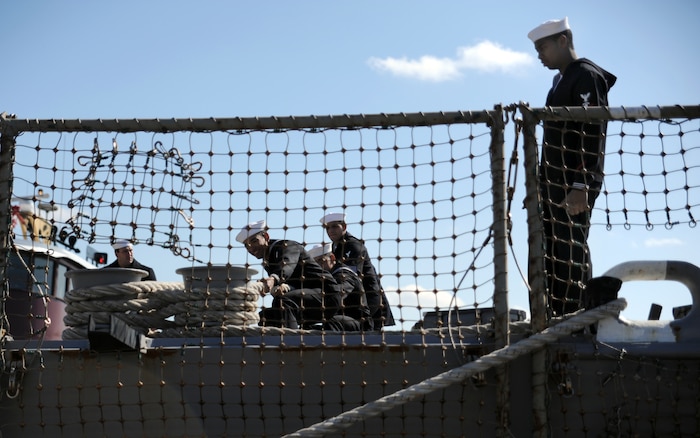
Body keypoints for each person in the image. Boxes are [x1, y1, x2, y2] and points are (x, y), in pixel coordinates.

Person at [527, 17, 617, 316]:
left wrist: (582, 185)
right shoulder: (560, 82)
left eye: (544, 47)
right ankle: (556, 317)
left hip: (571, 185)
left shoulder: (587, 77)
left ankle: (575, 320)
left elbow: (592, 133)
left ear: (563, 41)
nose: (540, 54)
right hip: (553, 183)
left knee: (570, 253)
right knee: (552, 256)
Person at [236, 220, 342, 329]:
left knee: (284, 302)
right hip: (307, 299)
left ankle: (289, 341)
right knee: (267, 316)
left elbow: (287, 265)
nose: (251, 248)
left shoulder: (287, 246)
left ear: (266, 237)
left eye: (254, 241)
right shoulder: (269, 260)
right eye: (247, 246)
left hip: (327, 295)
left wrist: (273, 279)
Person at [320, 213, 395, 328]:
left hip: (369, 304)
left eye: (334, 226)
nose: (330, 231)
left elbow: (350, 277)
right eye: (327, 228)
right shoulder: (334, 248)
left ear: (344, 227)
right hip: (353, 304)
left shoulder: (354, 246)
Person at [308, 243, 373, 331]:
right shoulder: (325, 278)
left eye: (321, 261)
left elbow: (339, 294)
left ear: (332, 258)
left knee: (333, 322)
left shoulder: (344, 274)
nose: (319, 266)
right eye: (316, 263)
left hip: (360, 324)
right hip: (342, 321)